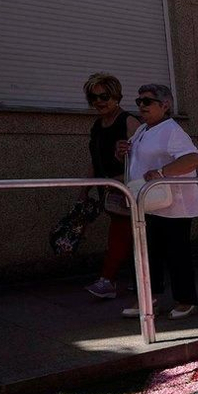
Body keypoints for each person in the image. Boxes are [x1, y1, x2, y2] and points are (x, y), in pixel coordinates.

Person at [121, 84, 198, 320]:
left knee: (177, 255)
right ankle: (149, 298)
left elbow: (194, 158)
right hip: (150, 202)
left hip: (174, 204)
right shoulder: (143, 130)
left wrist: (162, 171)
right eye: (139, 102)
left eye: (147, 101)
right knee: (148, 253)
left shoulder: (171, 129)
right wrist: (124, 151)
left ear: (164, 105)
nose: (141, 106)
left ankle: (185, 300)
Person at [82, 73, 139, 300]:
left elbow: (142, 160)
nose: (99, 101)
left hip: (125, 188)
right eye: (93, 97)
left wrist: (121, 181)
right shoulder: (97, 126)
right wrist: (84, 191)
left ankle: (107, 280)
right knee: (130, 236)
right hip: (106, 188)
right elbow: (95, 161)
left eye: (104, 96)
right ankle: (141, 279)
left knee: (119, 233)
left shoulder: (129, 121)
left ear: (116, 96)